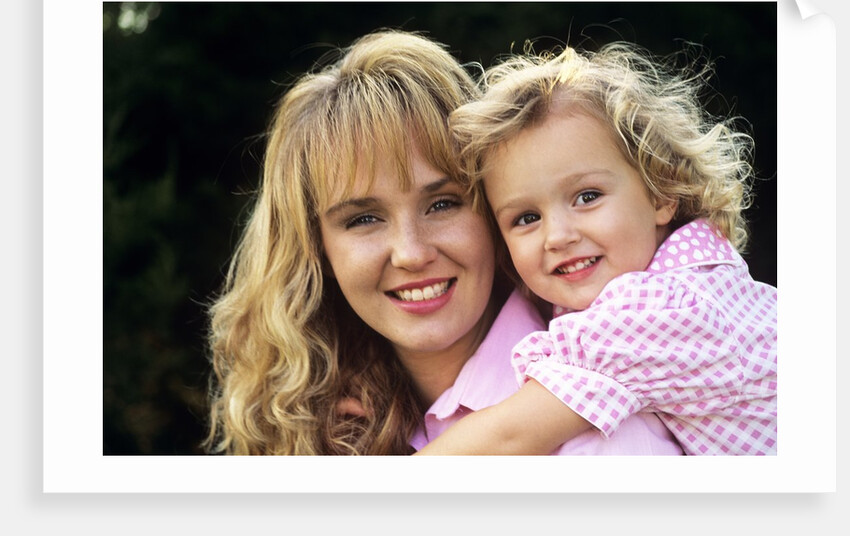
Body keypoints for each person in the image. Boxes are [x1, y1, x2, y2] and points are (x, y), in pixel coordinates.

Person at [205, 30, 684, 456]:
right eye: (364, 219)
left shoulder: (596, 415)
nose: (411, 252)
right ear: (318, 249)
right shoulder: (319, 422)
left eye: (442, 204)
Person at [415, 42, 777, 456]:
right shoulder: (695, 274)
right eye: (526, 218)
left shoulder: (665, 309)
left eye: (587, 196)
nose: (557, 236)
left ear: (661, 193)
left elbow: (510, 435)